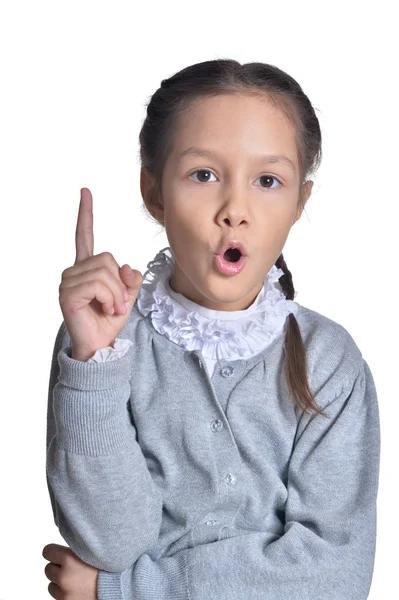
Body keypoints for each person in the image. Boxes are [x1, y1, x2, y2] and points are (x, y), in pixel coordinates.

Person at [44, 59, 381, 600]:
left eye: (268, 181)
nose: (235, 210)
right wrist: (93, 365)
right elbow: (110, 544)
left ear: (300, 203)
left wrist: (125, 591)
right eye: (204, 175)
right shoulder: (103, 338)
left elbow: (334, 574)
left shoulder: (328, 361)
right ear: (153, 193)